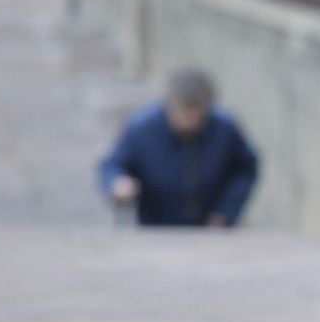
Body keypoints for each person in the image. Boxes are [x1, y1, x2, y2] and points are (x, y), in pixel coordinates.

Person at [100, 69, 260, 227]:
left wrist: (227, 210)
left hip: (211, 228)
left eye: (195, 117)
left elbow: (245, 169)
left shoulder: (225, 128)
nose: (188, 123)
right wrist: (118, 182)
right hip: (156, 229)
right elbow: (113, 164)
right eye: (182, 115)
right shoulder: (141, 128)